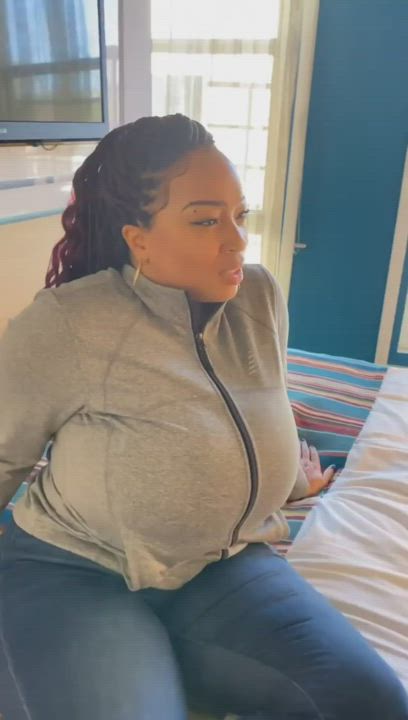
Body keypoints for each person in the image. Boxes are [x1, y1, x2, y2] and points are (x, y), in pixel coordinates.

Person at [0, 114, 406, 720]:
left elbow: (246, 409)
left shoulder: (260, 296)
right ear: (138, 238)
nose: (237, 240)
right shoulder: (67, 323)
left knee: (375, 703)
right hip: (78, 573)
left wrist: (285, 479)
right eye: (206, 220)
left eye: (240, 215)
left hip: (222, 567)